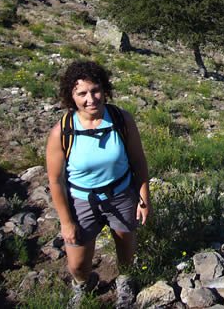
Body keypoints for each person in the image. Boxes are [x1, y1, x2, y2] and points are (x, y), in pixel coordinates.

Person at [46, 60, 151, 306]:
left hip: (122, 194)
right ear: (71, 97)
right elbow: (55, 180)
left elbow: (138, 161)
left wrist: (144, 198)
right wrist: (66, 221)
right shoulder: (62, 131)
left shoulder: (121, 120)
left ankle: (124, 281)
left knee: (126, 249)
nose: (90, 99)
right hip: (82, 201)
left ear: (104, 89)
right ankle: (82, 283)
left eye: (95, 90)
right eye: (81, 93)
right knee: (77, 264)